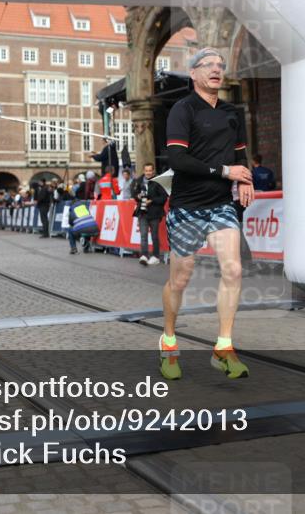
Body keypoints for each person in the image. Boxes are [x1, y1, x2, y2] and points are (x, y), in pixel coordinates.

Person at [160, 47, 254, 380]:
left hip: (221, 206)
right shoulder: (182, 109)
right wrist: (226, 172)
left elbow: (241, 154)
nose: (216, 69)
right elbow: (177, 160)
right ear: (194, 73)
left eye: (220, 65)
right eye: (208, 65)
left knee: (233, 269)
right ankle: (168, 340)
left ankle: (223, 347)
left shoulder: (231, 112)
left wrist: (245, 178)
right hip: (187, 206)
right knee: (180, 278)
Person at [132, 162, 168, 266]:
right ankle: (144, 255)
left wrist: (151, 200)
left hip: (155, 213)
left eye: (150, 171)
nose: (148, 173)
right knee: (143, 235)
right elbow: (134, 194)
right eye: (146, 171)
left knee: (154, 235)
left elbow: (163, 198)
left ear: (153, 171)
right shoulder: (138, 181)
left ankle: (155, 256)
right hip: (142, 212)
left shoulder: (158, 181)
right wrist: (137, 196)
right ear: (144, 171)